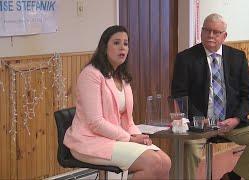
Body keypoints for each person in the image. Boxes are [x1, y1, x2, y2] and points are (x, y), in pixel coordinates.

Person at [171, 13, 249, 180]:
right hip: (199, 125)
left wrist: (237, 119)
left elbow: (248, 95)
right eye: (207, 30)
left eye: (216, 32)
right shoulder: (185, 58)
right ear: (201, 32)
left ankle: (233, 177)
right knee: (187, 147)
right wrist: (199, 119)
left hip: (230, 123)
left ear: (224, 36)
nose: (211, 35)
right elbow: (179, 94)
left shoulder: (237, 57)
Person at [64, 25, 171, 180]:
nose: (122, 47)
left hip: (116, 139)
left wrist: (139, 136)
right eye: (116, 43)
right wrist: (130, 139)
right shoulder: (90, 75)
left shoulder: (122, 76)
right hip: (89, 141)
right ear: (104, 47)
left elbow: (128, 120)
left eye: (125, 43)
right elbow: (96, 123)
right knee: (153, 162)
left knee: (165, 162)